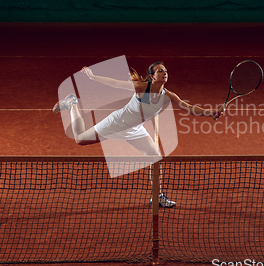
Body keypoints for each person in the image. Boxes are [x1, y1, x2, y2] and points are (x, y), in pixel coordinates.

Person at [53, 61, 224, 207]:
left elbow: (190, 108)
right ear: (152, 76)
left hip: (135, 129)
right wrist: (93, 77)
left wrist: (211, 113)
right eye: (160, 71)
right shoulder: (142, 88)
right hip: (116, 123)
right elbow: (116, 83)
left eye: (165, 70)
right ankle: (72, 103)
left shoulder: (169, 96)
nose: (164, 73)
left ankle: (157, 197)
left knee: (155, 157)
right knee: (80, 139)